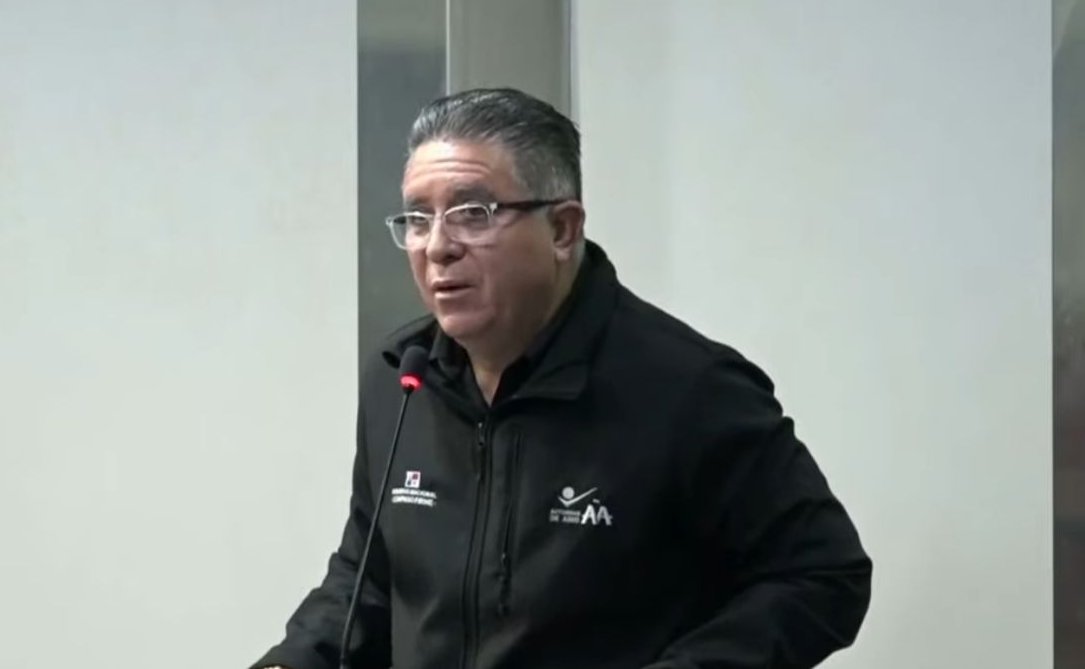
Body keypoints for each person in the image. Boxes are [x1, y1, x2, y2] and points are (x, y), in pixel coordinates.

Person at [251, 87, 872, 669]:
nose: (437, 247)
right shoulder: (400, 378)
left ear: (562, 228)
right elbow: (369, 575)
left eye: (472, 213)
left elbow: (823, 575)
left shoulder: (688, 389)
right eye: (417, 218)